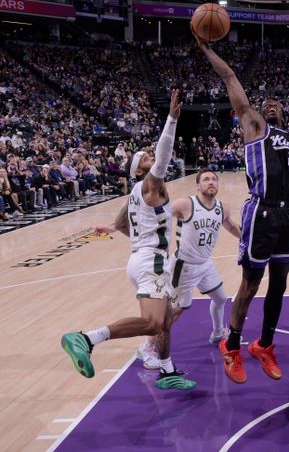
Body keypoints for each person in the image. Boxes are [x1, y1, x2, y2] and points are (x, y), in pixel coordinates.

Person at [197, 33, 289, 384]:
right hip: (262, 212)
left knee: (280, 285)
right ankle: (233, 346)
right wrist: (208, 49)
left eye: (275, 104)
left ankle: (264, 345)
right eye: (264, 103)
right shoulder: (255, 127)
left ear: (285, 113)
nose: (269, 106)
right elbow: (230, 78)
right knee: (251, 285)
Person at [60, 90, 196, 390]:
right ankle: (86, 338)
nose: (151, 157)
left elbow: (122, 222)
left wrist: (112, 229)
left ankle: (167, 370)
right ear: (139, 169)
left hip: (142, 259)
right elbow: (163, 158)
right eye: (145, 158)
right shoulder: (150, 185)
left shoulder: (134, 194)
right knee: (152, 323)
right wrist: (172, 119)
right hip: (152, 260)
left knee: (164, 319)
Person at [136, 168, 241, 369]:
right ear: (198, 185)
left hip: (205, 264)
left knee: (220, 298)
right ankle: (147, 346)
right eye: (206, 179)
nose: (211, 182)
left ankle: (218, 332)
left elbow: (232, 227)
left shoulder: (222, 208)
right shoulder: (186, 204)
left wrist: (248, 238)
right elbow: (160, 213)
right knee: (174, 311)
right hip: (184, 267)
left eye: (214, 179)